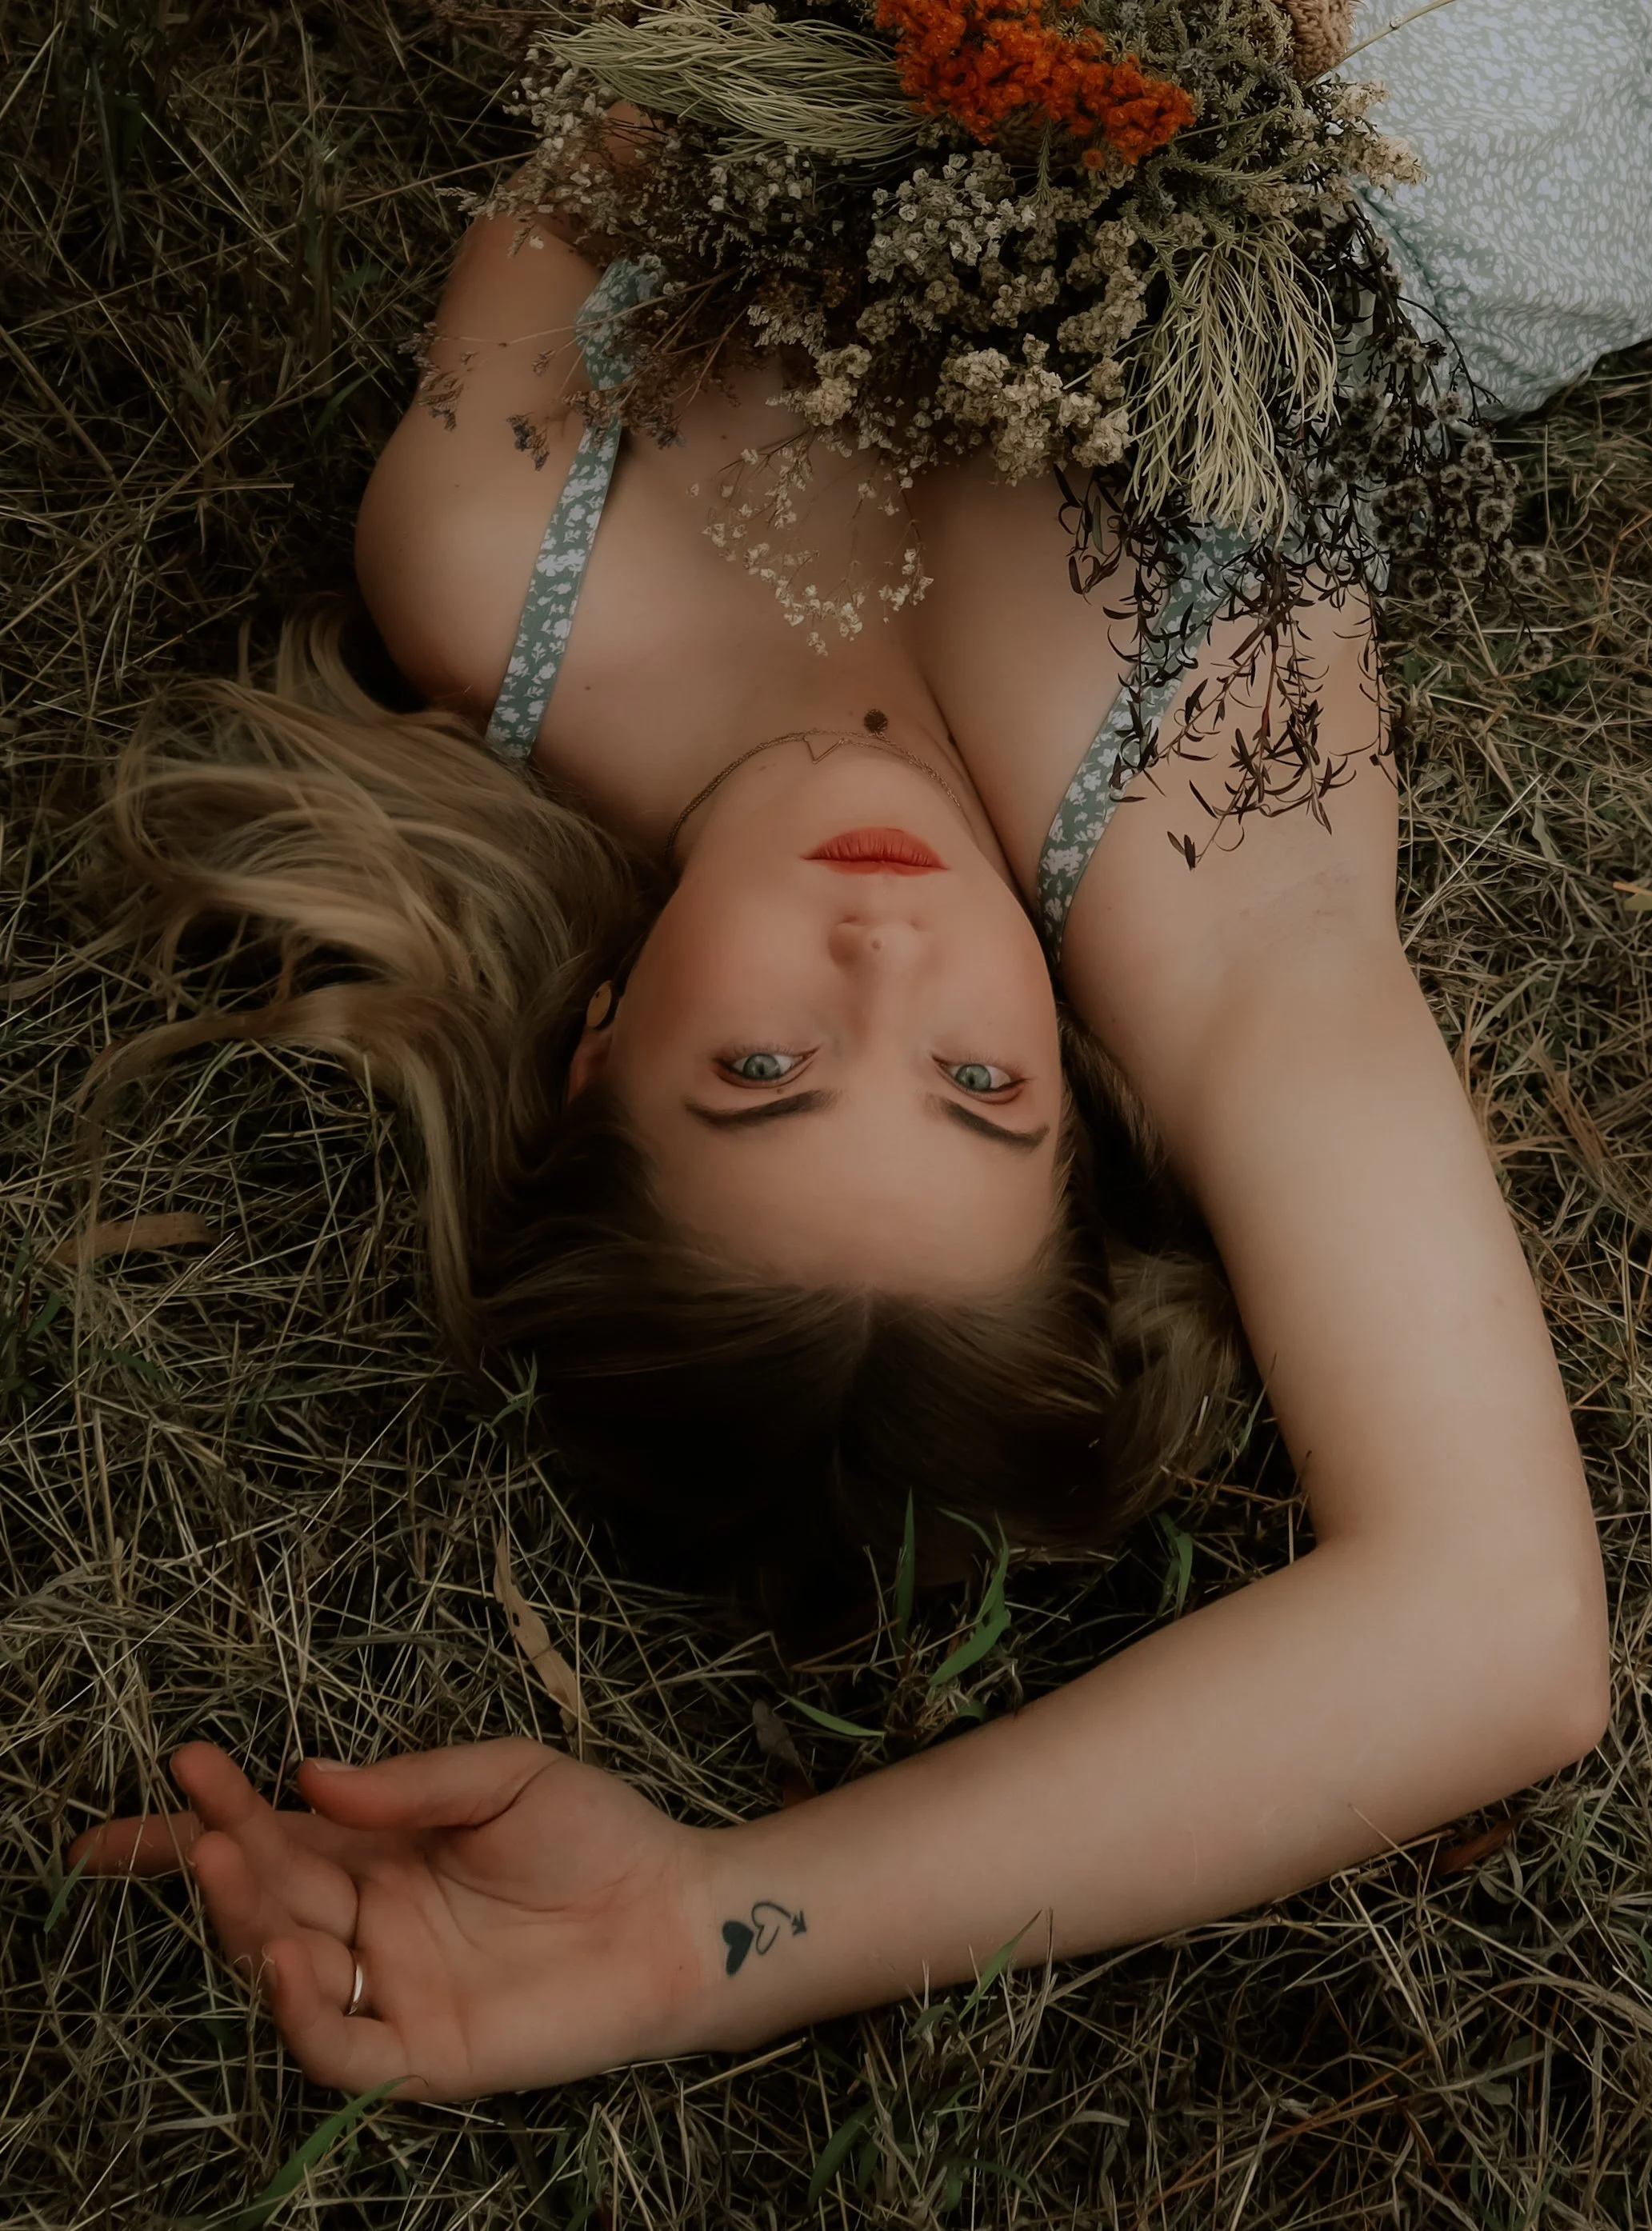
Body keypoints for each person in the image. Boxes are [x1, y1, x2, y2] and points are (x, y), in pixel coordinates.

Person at [71, 0, 1648, 2102]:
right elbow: (1500, 1632)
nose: (891, 960)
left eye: (768, 1069)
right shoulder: (1195, 827)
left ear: (598, 1050)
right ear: (1078, 1104)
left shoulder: (493, 553)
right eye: (984, 1088)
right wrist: (690, 1940)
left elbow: (646, 82)